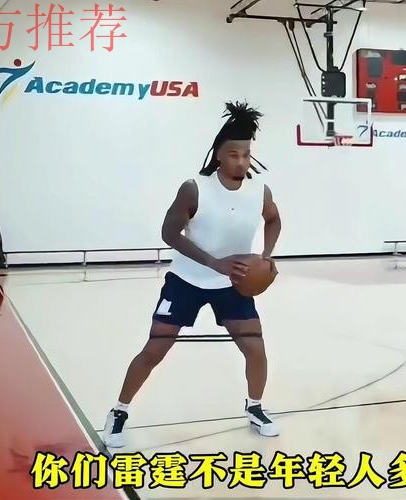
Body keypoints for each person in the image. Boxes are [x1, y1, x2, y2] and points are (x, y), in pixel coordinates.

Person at [102, 101, 282, 448]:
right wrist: (213, 263)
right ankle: (119, 411)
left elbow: (273, 219)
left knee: (255, 348)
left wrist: (266, 256)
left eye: (246, 154)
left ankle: (255, 407)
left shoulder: (260, 191)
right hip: (186, 281)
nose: (241, 161)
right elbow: (169, 233)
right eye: (233, 154)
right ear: (218, 155)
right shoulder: (194, 188)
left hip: (232, 284)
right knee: (155, 349)